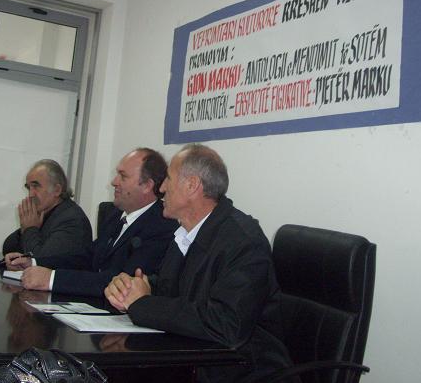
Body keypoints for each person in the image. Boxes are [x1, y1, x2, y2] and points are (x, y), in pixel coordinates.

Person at [104, 144, 293, 383]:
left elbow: (226, 325)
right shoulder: (185, 233)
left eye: (168, 179)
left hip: (242, 372)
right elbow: (173, 288)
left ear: (192, 185)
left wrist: (142, 303)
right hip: (192, 361)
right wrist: (134, 287)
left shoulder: (244, 242)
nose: (161, 188)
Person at [7, 148, 178, 297]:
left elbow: (122, 281)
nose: (114, 182)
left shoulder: (162, 226)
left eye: (123, 176)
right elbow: (87, 258)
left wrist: (52, 279)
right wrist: (35, 263)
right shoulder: (114, 214)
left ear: (147, 185)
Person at [2, 159, 92, 262]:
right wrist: (25, 228)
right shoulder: (44, 214)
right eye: (29, 188)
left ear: (57, 190)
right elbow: (8, 248)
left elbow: (41, 261)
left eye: (36, 186)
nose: (30, 194)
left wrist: (30, 229)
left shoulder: (72, 220)